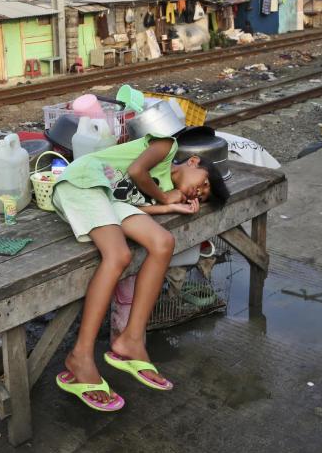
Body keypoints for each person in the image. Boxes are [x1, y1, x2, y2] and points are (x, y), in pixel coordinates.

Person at [51, 132, 229, 411]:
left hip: (110, 198)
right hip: (85, 180)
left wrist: (169, 205)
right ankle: (80, 356)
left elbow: (133, 202)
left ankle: (132, 339)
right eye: (203, 183)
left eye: (203, 196)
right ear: (193, 161)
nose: (199, 192)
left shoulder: (161, 187)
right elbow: (136, 171)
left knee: (163, 242)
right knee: (118, 254)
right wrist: (164, 195)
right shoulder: (167, 145)